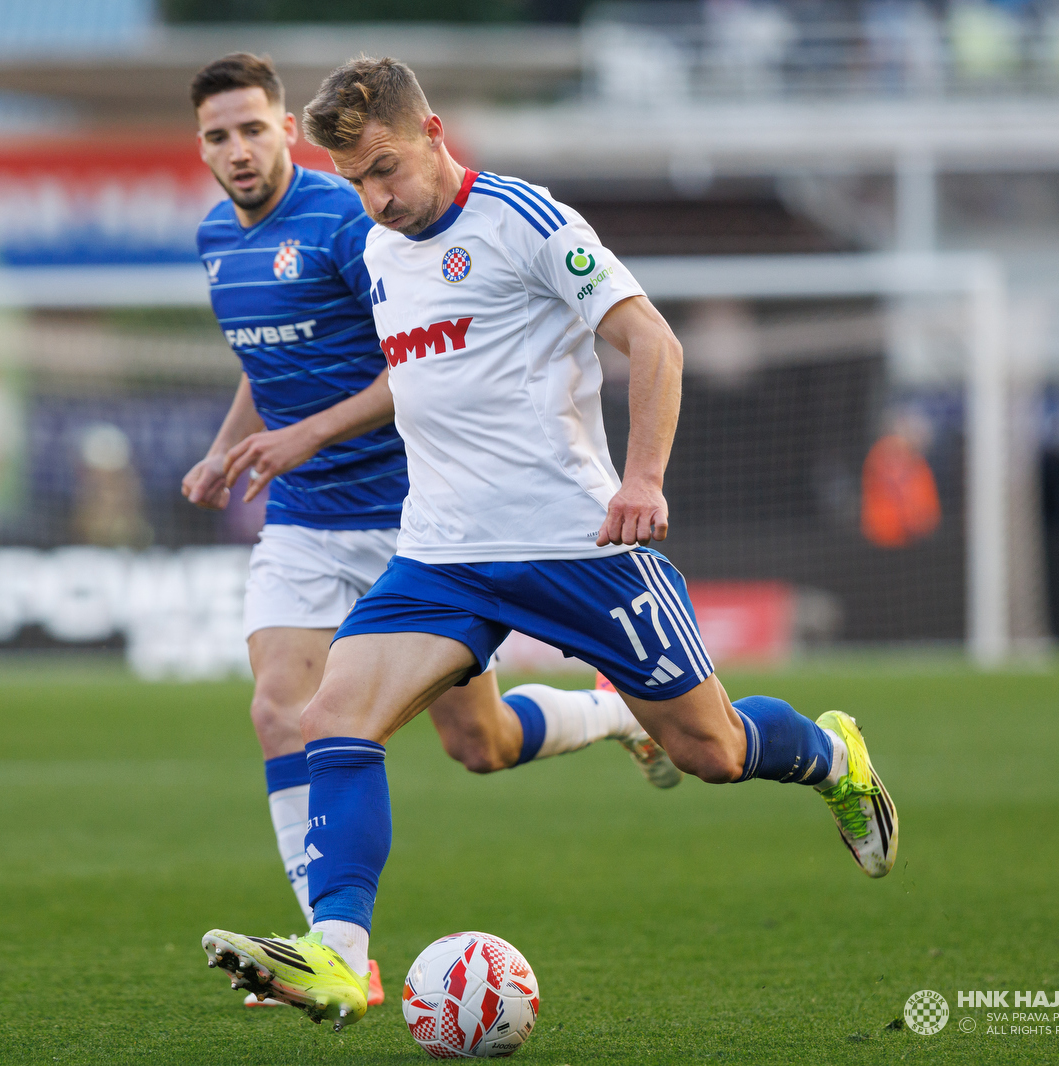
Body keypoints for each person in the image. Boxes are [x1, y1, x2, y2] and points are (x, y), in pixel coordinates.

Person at [202, 56, 898, 1030]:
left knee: (710, 748)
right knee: (331, 720)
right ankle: (340, 955)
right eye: (355, 179)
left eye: (386, 169)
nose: (374, 196)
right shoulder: (377, 245)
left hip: (577, 546)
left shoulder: (526, 222)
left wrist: (643, 480)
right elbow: (404, 372)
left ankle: (832, 755)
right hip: (441, 553)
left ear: (434, 134)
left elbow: (653, 341)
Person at [179, 53, 680, 1006]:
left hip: (411, 514)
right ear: (199, 146)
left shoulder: (347, 221)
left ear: (289, 131)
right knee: (283, 706)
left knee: (477, 744)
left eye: (253, 129)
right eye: (218, 135)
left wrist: (309, 435)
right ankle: (332, 952)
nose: (238, 151)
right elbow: (264, 359)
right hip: (302, 518)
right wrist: (228, 446)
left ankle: (615, 711)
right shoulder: (215, 239)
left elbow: (404, 367)